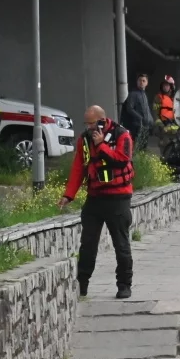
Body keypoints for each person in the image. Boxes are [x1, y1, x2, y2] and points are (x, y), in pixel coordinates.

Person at [58, 105, 135, 299]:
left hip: (118, 199)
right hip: (94, 199)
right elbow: (79, 167)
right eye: (86, 123)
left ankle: (124, 285)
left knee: (121, 244)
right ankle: (82, 285)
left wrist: (101, 146)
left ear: (102, 121)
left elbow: (122, 159)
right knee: (88, 244)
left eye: (91, 123)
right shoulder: (84, 140)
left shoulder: (122, 135)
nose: (88, 127)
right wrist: (69, 194)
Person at [120, 73, 152, 148]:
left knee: (143, 147)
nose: (142, 82)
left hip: (145, 126)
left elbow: (146, 109)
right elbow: (129, 108)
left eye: (144, 81)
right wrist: (140, 118)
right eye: (140, 80)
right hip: (136, 126)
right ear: (137, 82)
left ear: (147, 83)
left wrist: (151, 119)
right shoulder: (133, 94)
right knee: (136, 147)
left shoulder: (144, 95)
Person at [153, 76, 179, 142]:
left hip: (174, 126)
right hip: (164, 126)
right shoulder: (158, 97)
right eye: (164, 85)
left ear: (171, 87)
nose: (165, 87)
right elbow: (155, 113)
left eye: (167, 85)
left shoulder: (174, 99)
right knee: (165, 146)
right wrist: (161, 126)